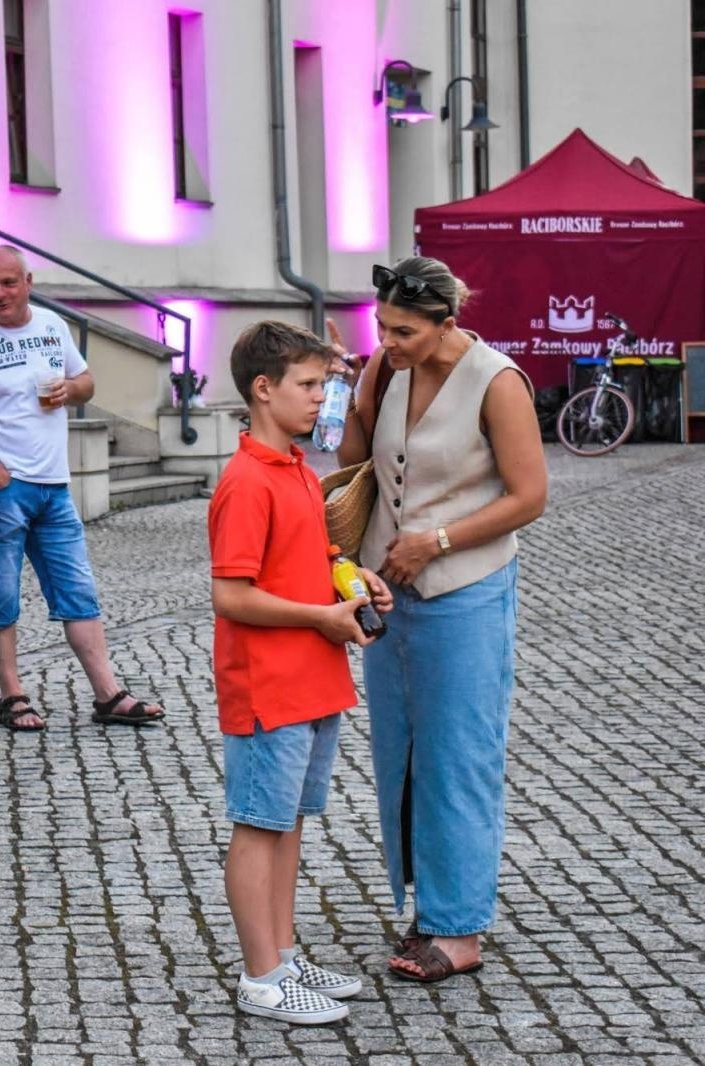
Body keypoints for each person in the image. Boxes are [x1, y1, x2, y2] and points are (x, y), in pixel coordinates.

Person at [334, 258, 546, 983]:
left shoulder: (498, 381)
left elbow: (529, 496)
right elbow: (353, 460)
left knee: (460, 754)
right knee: (402, 754)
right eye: (382, 327)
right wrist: (358, 391)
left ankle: (459, 930)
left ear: (446, 322)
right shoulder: (387, 368)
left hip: (466, 587)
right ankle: (427, 907)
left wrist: (439, 540)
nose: (389, 341)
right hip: (387, 592)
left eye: (404, 331)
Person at [209, 321, 393, 1024]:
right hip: (268, 685)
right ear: (264, 389)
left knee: (288, 823)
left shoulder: (295, 470)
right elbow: (231, 593)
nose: (322, 399)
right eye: (309, 385)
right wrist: (319, 619)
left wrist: (353, 579)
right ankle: (261, 977)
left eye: (324, 384)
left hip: (312, 678)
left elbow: (313, 558)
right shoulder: (246, 481)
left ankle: (282, 954)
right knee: (259, 825)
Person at [0, 246, 164, 731]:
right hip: (0, 489)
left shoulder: (51, 325)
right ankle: (13, 696)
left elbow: (86, 379)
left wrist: (72, 391)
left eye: (8, 283)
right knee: (1, 594)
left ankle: (108, 694)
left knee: (78, 591)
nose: (0, 295)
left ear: (28, 281)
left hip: (53, 485)